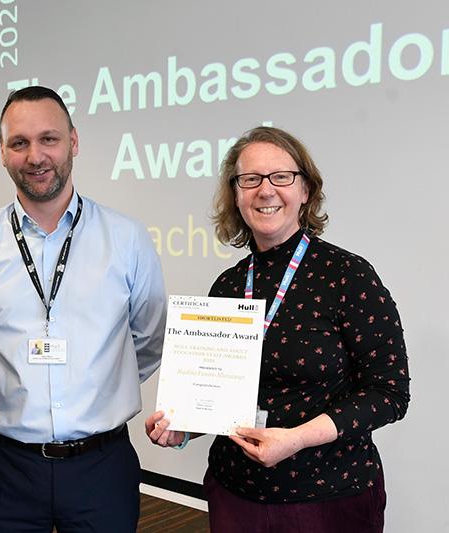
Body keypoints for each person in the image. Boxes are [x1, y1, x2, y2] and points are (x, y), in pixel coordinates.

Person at [146, 126, 410, 532]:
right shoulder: (229, 284)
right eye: (250, 179)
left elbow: (389, 393)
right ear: (236, 194)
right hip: (235, 494)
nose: (265, 190)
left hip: (328, 498)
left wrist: (297, 438)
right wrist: (182, 428)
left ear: (305, 190)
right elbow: (221, 397)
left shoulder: (347, 276)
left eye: (281, 177)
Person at [0, 86, 167, 532]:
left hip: (101, 464)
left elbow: (148, 337)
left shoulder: (127, 239)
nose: (35, 156)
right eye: (19, 143)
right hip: (3, 466)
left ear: (74, 142)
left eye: (49, 139)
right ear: (3, 153)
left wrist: (99, 380)